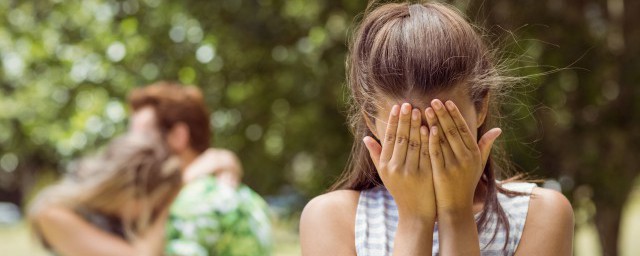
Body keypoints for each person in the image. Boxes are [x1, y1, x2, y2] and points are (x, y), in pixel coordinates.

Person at [300, 2, 574, 256]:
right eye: (409, 134)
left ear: (480, 108)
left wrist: (456, 214)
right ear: (372, 122)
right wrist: (414, 219)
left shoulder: (540, 215)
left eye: (444, 129)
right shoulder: (331, 219)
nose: (430, 148)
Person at [31, 82, 272, 256]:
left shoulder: (197, 199)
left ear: (178, 136)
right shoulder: (55, 212)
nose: (132, 142)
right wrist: (185, 182)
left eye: (143, 134)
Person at [29, 134, 183, 256]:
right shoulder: (52, 212)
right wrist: (168, 208)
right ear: (128, 192)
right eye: (155, 203)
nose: (156, 209)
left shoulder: (119, 215)